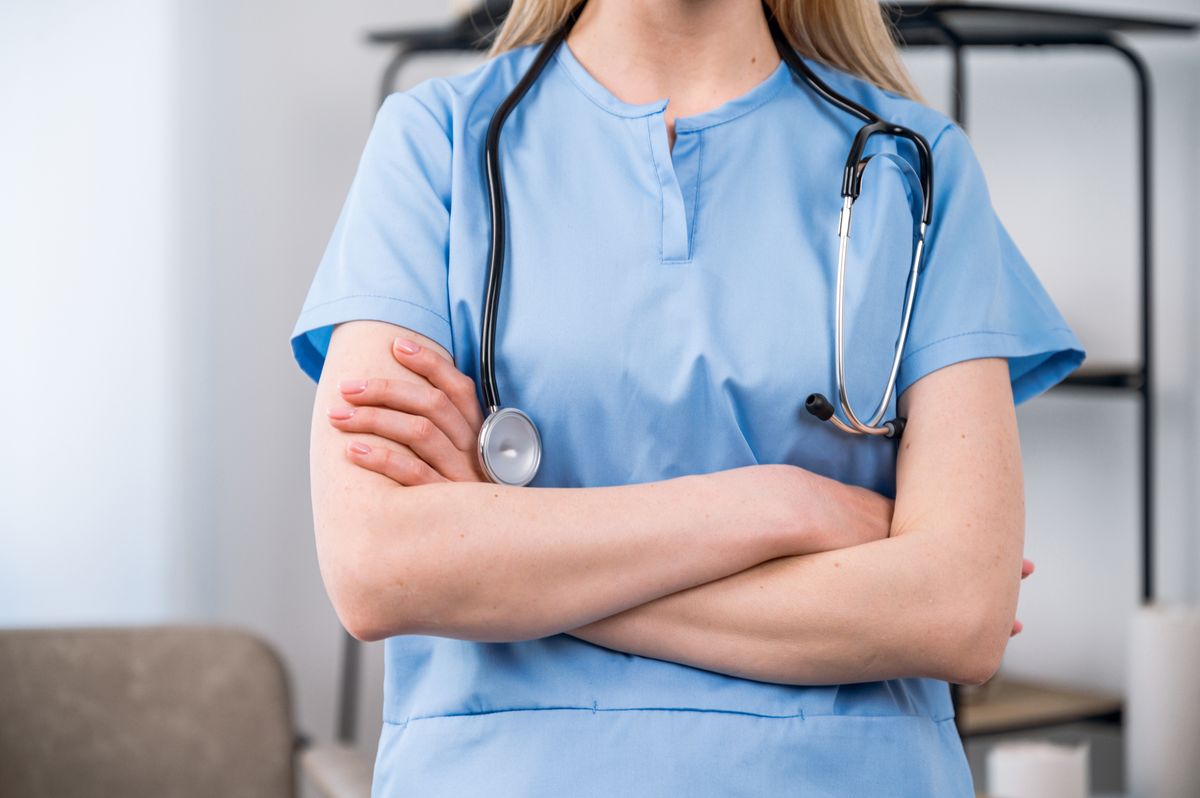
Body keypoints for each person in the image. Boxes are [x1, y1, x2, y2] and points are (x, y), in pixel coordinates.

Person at [289, 0, 1085, 793]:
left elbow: (956, 615)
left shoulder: (914, 163)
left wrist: (501, 569)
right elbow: (379, 569)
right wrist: (774, 506)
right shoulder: (436, 142)